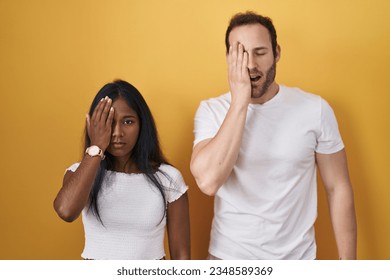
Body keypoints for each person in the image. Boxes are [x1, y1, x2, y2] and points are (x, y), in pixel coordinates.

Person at [190, 11, 357, 260]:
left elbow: (338, 187)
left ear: (276, 53)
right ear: (229, 57)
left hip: (297, 260)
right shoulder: (212, 110)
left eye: (260, 52)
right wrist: (240, 102)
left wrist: (349, 267)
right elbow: (209, 182)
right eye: (241, 54)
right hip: (228, 260)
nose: (251, 65)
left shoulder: (315, 109)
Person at [54, 80, 190, 260]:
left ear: (142, 125)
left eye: (128, 121)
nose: (117, 132)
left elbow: (181, 256)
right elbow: (66, 211)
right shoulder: (80, 173)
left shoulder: (168, 178)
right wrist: (96, 147)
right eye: (109, 122)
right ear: (94, 125)